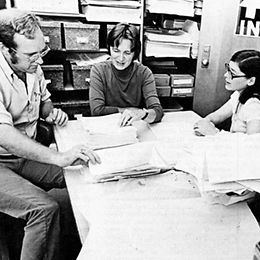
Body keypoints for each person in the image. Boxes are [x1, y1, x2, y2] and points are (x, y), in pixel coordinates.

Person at [0, 8, 100, 260]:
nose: (40, 60)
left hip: (23, 155)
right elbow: (4, 135)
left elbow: (42, 103)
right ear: (5, 50)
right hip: (2, 160)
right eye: (32, 54)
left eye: (42, 52)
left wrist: (51, 113)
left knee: (86, 174)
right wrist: (58, 157)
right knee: (45, 209)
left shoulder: (32, 66)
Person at [89, 22, 164, 126]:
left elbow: (158, 111)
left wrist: (143, 114)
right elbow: (97, 111)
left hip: (134, 127)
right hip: (107, 127)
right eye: (116, 51)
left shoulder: (144, 73)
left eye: (127, 53)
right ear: (109, 49)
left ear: (134, 53)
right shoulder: (98, 71)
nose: (120, 58)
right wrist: (132, 111)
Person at [193, 49, 260, 136]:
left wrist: (215, 134)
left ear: (251, 81)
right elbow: (217, 116)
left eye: (232, 73)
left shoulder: (254, 105)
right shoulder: (238, 94)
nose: (226, 75)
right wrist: (205, 122)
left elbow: (253, 144)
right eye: (228, 69)